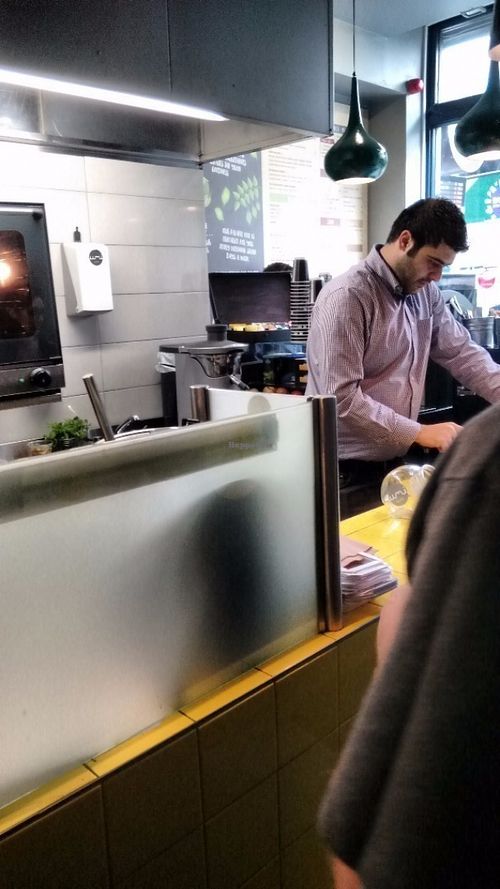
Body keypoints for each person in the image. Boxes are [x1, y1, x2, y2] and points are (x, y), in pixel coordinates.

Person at [317, 400, 500, 888]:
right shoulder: (346, 316)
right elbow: (342, 396)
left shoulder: (488, 465)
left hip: (400, 461)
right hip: (349, 464)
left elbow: (376, 848)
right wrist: (420, 430)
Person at [305, 198, 500, 484]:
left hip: (394, 462)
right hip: (342, 472)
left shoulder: (426, 294)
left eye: (444, 266)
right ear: (405, 240)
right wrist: (419, 432)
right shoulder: (347, 297)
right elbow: (341, 399)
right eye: (433, 263)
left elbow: (461, 352)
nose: (437, 277)